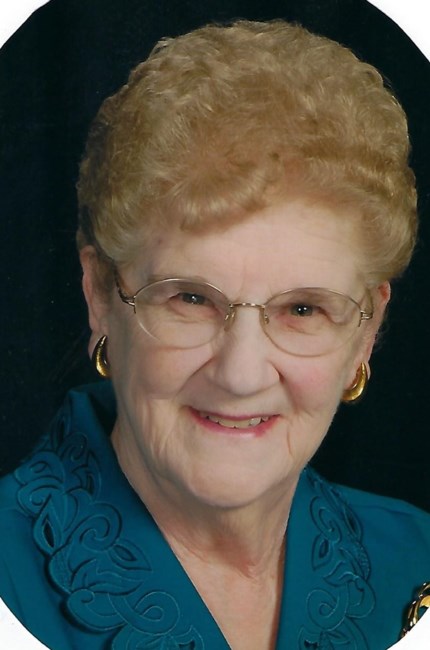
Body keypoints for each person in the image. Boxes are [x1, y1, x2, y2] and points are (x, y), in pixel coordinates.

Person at [0, 18, 429, 650]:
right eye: (192, 299)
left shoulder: (416, 559)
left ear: (366, 334)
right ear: (100, 296)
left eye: (303, 309)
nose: (241, 373)